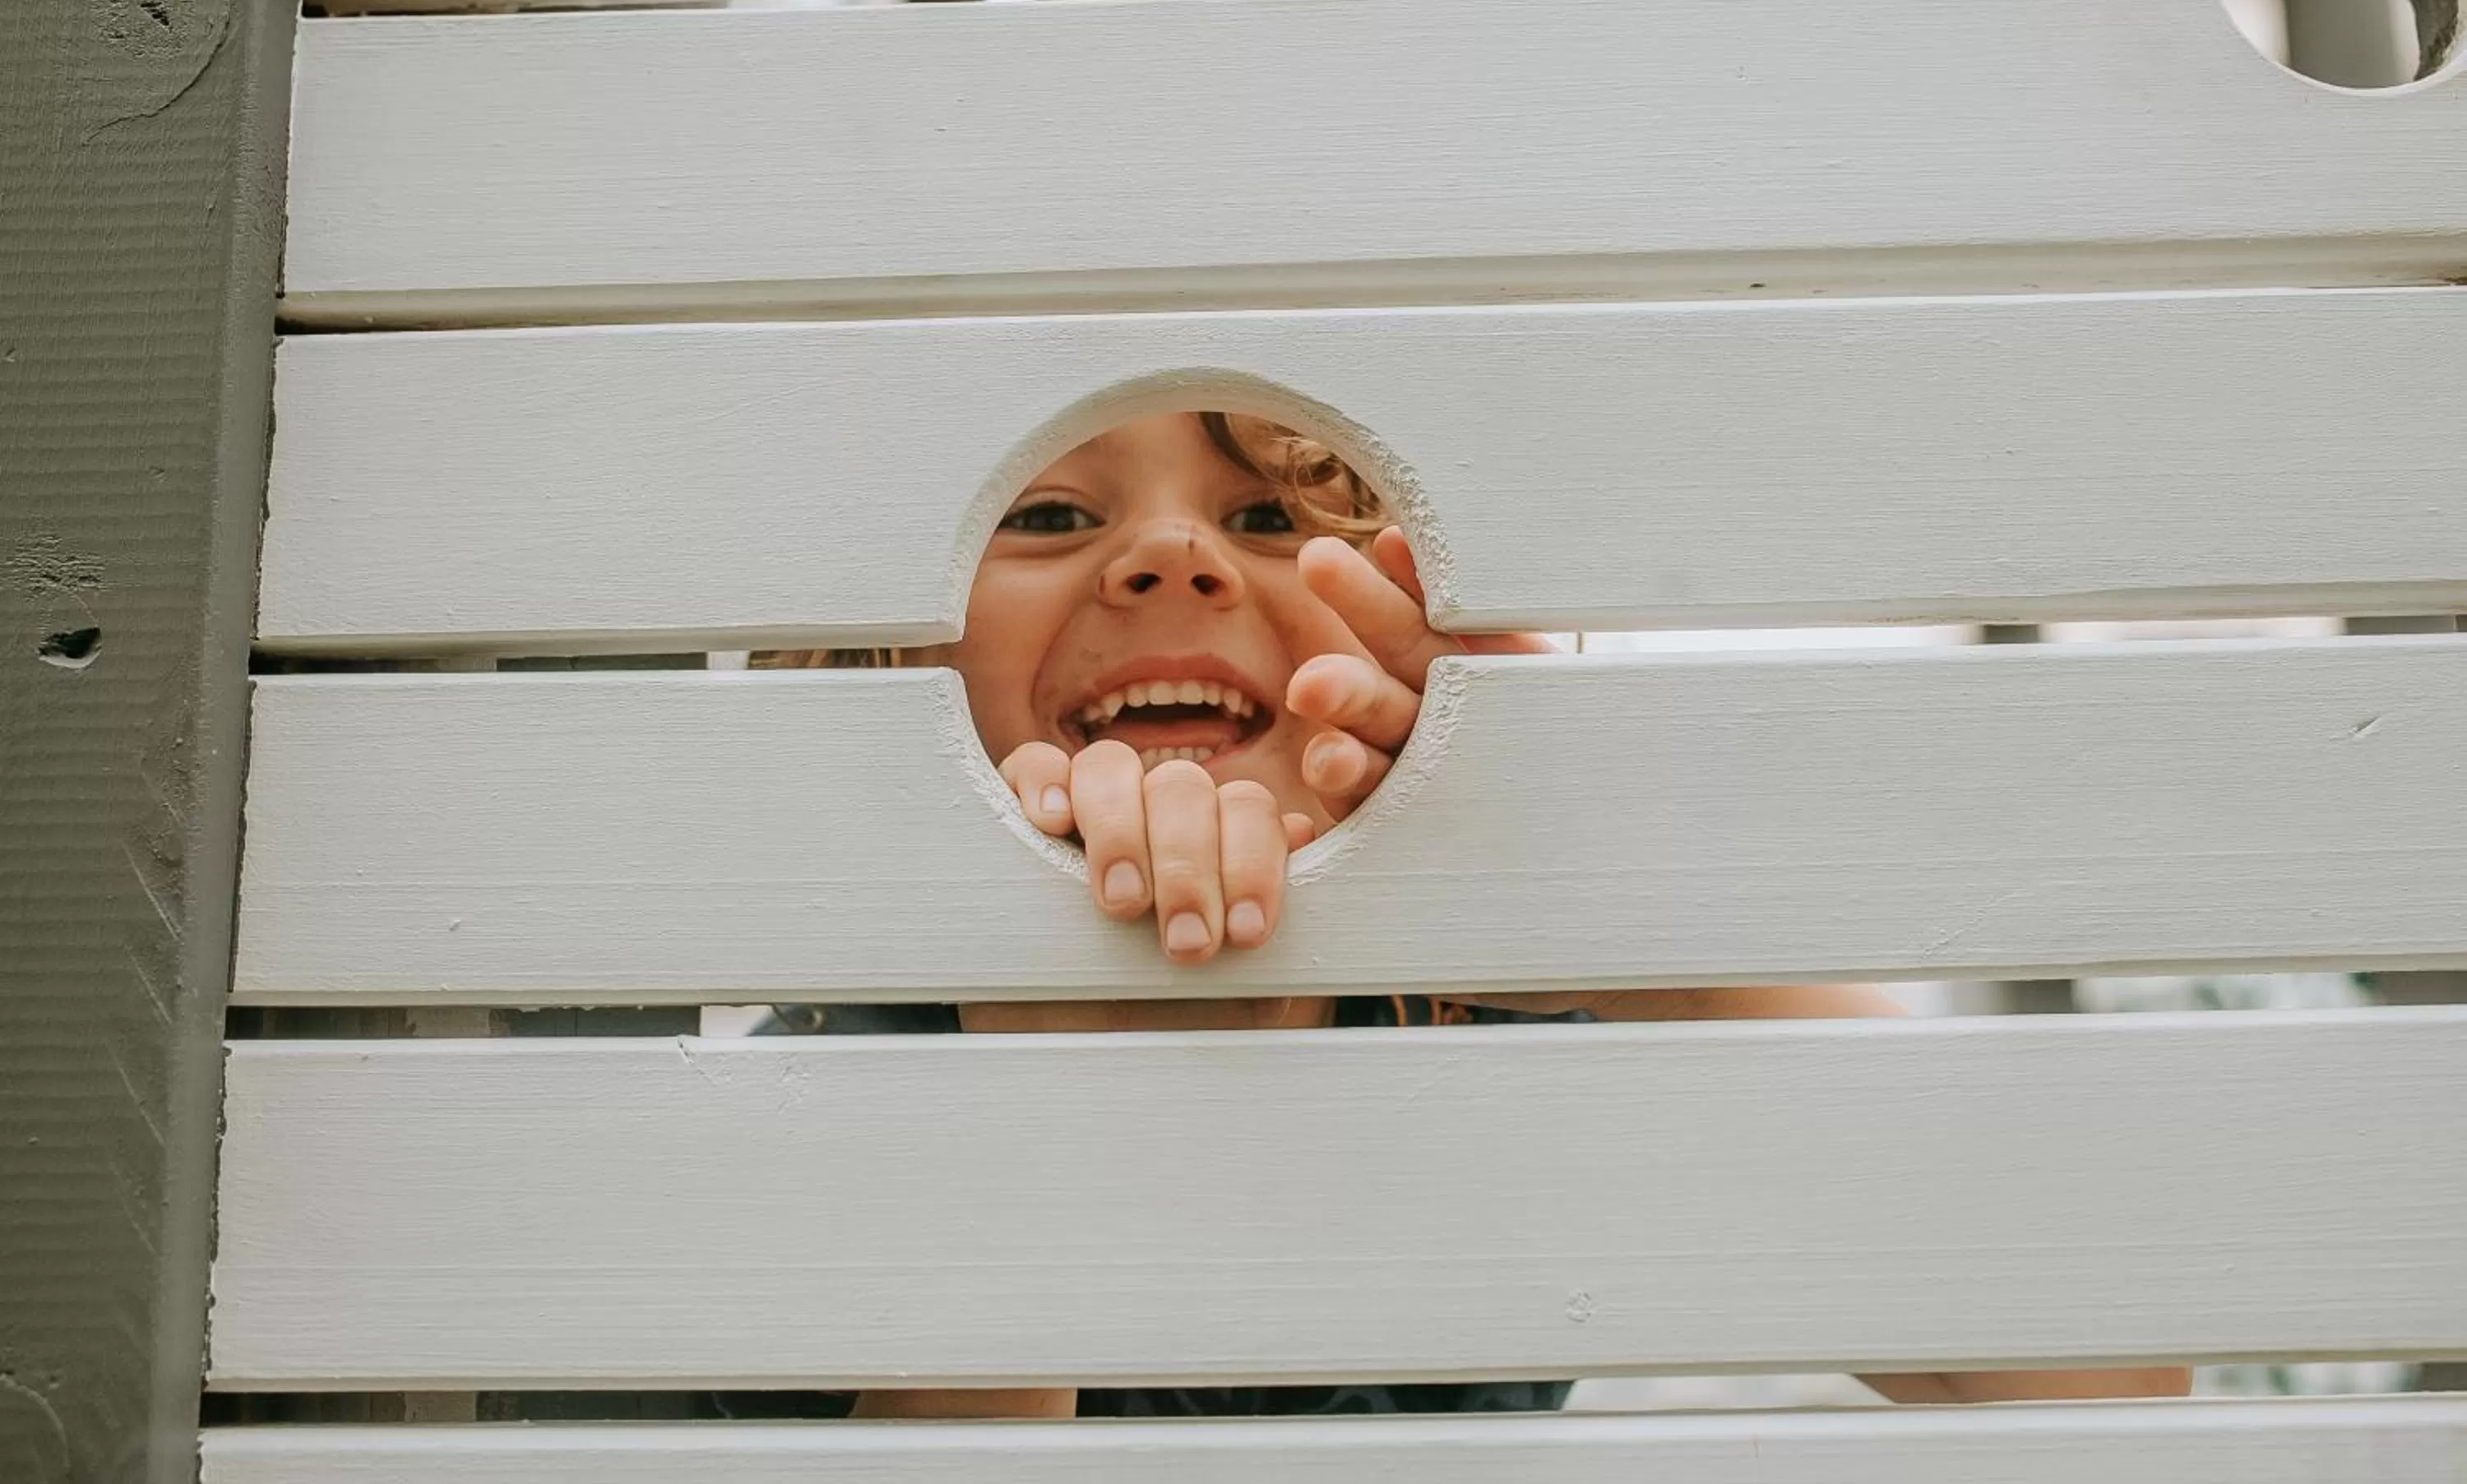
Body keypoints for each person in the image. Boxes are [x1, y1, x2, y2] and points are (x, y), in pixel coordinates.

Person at [752, 409, 2191, 1418]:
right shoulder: (792, 1079)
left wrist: (1620, 929)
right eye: (1055, 513)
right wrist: (1053, 1132)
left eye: (1267, 516)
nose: (1173, 558)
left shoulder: (1497, 1016)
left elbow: (2112, 1376)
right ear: (887, 646)